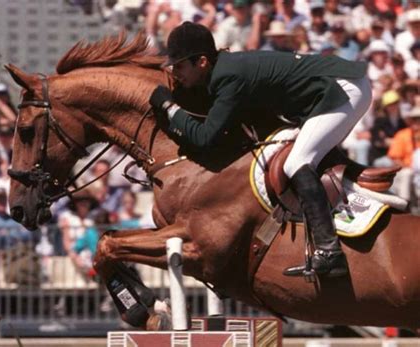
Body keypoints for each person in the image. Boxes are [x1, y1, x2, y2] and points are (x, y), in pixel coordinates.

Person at [149, 21, 372, 278]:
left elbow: (204, 138)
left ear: (201, 62)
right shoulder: (222, 71)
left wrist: (169, 108)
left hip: (342, 89)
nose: (175, 72)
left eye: (179, 66)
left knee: (297, 161)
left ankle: (329, 251)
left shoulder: (228, 76)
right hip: (327, 90)